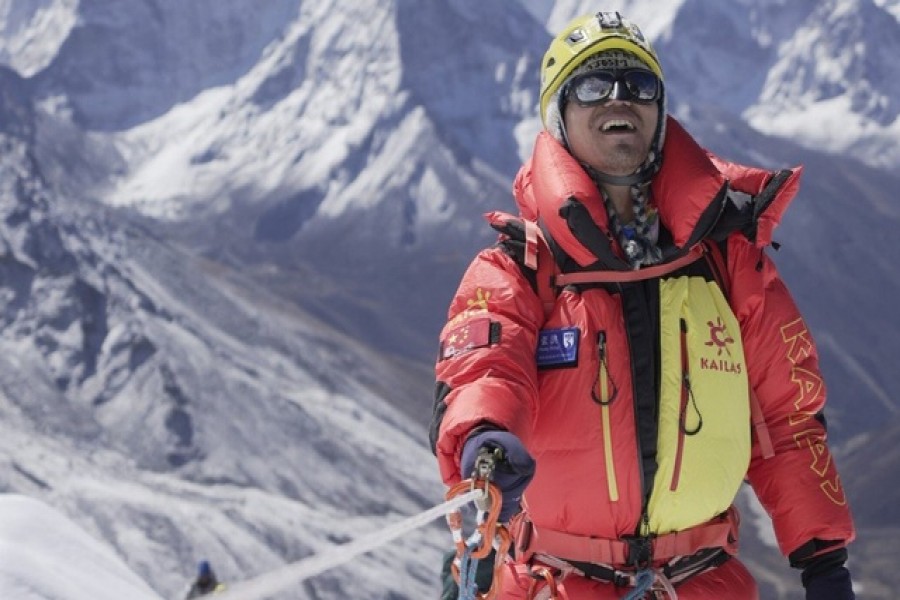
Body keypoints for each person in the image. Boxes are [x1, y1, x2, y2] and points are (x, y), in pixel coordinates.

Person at [429, 11, 856, 600]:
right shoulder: (519, 269)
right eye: (592, 86)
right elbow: (483, 369)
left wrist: (823, 559)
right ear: (558, 115)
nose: (618, 100)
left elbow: (787, 419)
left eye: (638, 85)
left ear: (659, 111)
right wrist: (484, 436)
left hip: (702, 582)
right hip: (556, 582)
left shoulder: (727, 261)